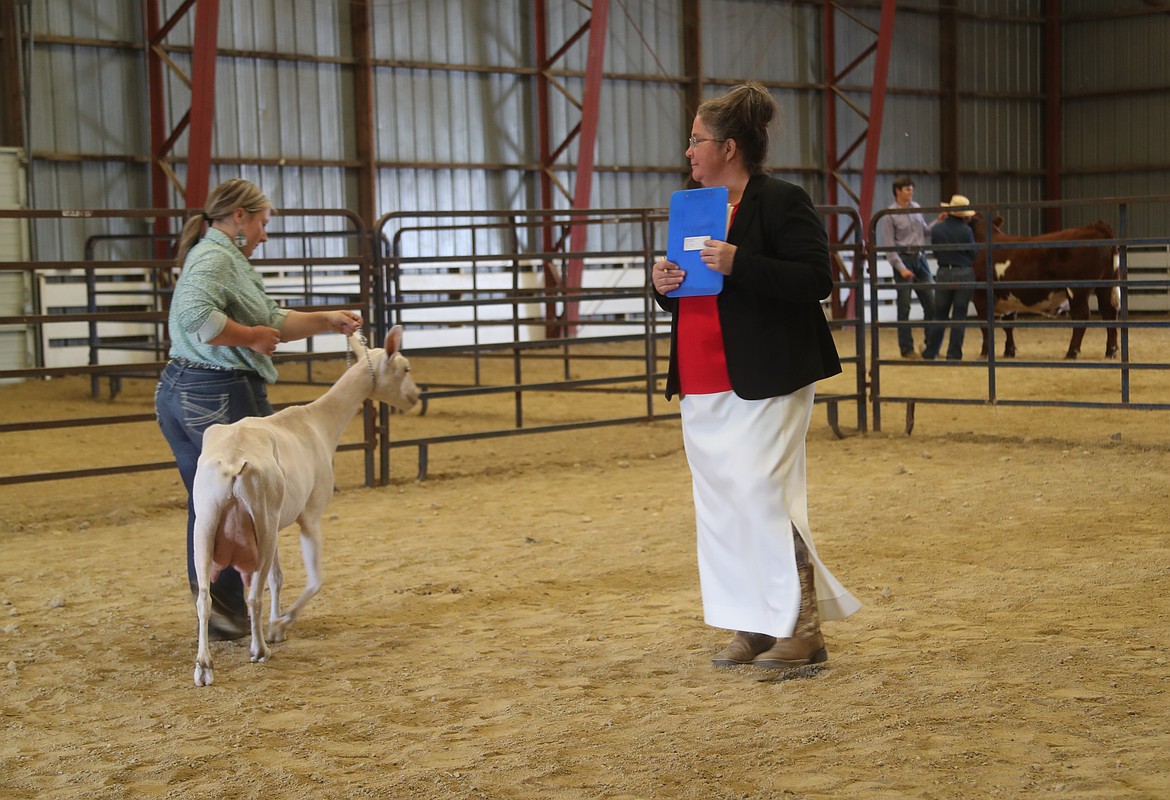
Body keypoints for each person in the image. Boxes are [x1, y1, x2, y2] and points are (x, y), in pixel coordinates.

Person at [651, 82, 861, 670]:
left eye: (697, 141)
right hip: (702, 375)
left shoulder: (781, 201)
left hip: (767, 374)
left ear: (731, 147)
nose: (689, 151)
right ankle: (752, 626)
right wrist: (664, 286)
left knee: (762, 495)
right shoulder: (693, 207)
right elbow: (698, 291)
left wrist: (740, 262)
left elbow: (814, 279)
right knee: (721, 505)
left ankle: (804, 628)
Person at [155, 178, 362, 639]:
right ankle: (229, 607)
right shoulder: (215, 258)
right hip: (218, 392)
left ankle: (218, 605)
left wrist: (326, 320)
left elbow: (271, 320)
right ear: (240, 217)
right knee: (243, 499)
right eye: (264, 223)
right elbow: (193, 313)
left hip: (187, 390)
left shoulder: (227, 258)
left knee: (210, 496)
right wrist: (248, 339)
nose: (266, 234)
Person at [877, 176, 939, 359]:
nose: (911, 192)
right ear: (898, 191)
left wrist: (938, 221)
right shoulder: (890, 215)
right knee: (904, 308)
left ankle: (929, 345)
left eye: (911, 189)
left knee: (932, 304)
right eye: (907, 189)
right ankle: (906, 348)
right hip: (903, 260)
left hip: (921, 259)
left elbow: (925, 231)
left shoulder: (917, 208)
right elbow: (889, 246)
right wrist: (901, 268)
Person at [922, 194, 979, 361]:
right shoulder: (966, 231)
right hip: (963, 272)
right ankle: (954, 353)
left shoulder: (937, 229)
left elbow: (936, 251)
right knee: (959, 315)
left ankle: (931, 351)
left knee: (940, 315)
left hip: (944, 273)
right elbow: (973, 253)